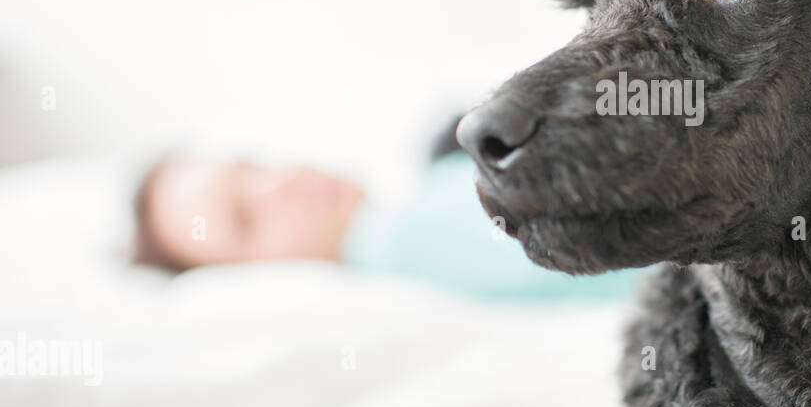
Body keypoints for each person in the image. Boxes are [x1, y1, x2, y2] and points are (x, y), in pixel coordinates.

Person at [131, 142, 644, 303]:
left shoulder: (408, 202)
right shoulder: (396, 239)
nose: (280, 185)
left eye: (253, 168)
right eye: (247, 218)